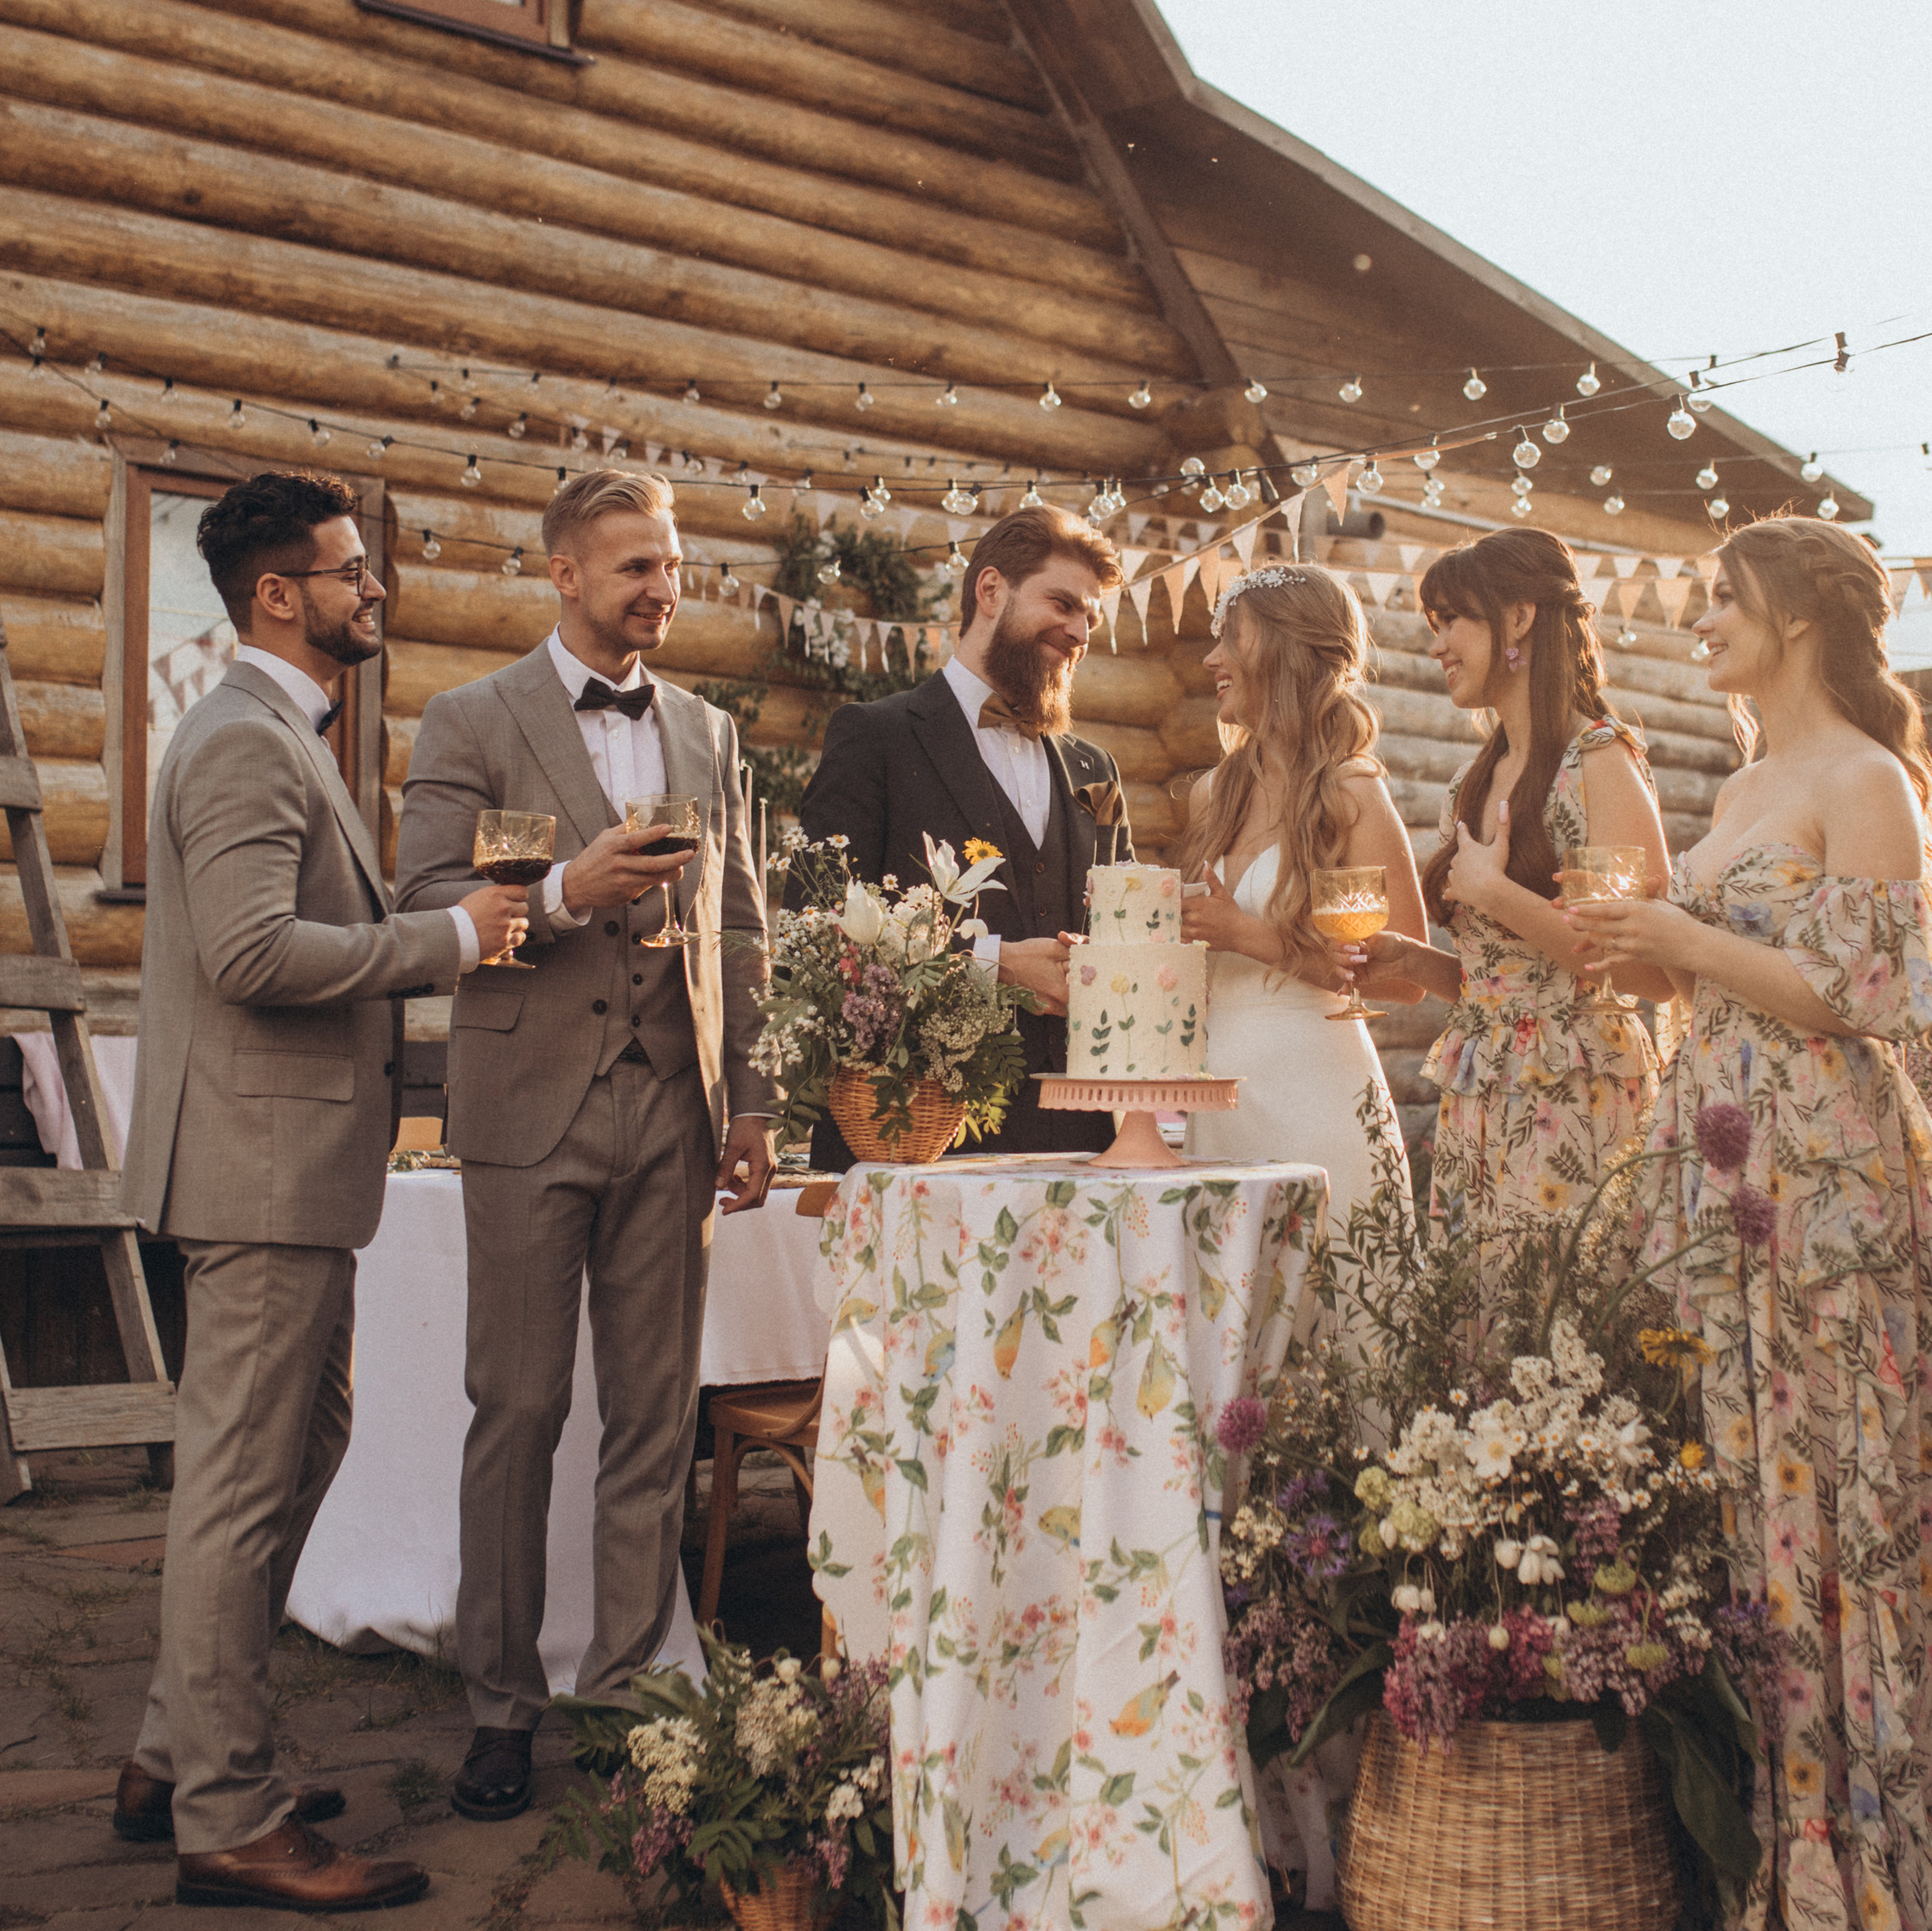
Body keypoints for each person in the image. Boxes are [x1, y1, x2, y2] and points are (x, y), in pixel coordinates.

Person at [1574, 516, 1932, 1931]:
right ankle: (1746, 1852)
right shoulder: (1741, 785)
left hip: (1823, 1172)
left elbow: (1870, 998)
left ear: (1796, 614)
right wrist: (1642, 952)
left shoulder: (1865, 780)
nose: (1703, 620)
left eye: (1724, 598)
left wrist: (1679, 934)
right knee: (1730, 1474)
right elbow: (1718, 973)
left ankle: (1859, 1874)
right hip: (1717, 1155)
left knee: (1829, 1486)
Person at [117, 472, 528, 1911]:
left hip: (289, 1169)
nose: (379, 588)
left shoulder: (280, 733)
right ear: (280, 594)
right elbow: (251, 956)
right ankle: (227, 1817)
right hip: (258, 1168)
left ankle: (174, 1755)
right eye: (355, 571)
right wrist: (451, 941)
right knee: (239, 1488)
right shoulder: (243, 741)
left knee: (300, 1450)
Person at [393, 470, 774, 1825]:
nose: (662, 589)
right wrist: (563, 888)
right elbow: (423, 902)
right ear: (563, 573)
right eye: (634, 567)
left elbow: (742, 923)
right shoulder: (471, 718)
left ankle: (625, 1687)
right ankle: (499, 1706)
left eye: (670, 566)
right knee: (518, 1408)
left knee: (655, 1413)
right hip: (527, 1104)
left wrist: (755, 1101)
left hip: (676, 1107)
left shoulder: (708, 731)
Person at [1347, 530, 1669, 1280]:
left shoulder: (1601, 760)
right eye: (1434, 626)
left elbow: (1644, 972)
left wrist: (1495, 893)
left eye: (1454, 620)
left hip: (1580, 1088)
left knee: (1564, 1310)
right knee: (1481, 1315)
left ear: (1520, 617)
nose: (1438, 645)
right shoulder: (1472, 783)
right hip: (1484, 1092)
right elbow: (1502, 988)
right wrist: (1414, 962)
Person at [794, 505, 1130, 1162]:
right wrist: (993, 965)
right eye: (1063, 604)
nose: (1079, 632)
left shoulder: (1097, 769)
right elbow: (816, 938)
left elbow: (1130, 933)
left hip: (1083, 1143)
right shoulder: (874, 737)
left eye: (1091, 618)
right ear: (991, 591)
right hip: (913, 1133)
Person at [1178, 562, 1423, 1230]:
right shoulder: (1212, 795)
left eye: (1231, 638)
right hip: (1218, 1099)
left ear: (1285, 648)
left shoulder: (1352, 792)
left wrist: (1247, 934)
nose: (1212, 659)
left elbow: (1405, 980)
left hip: (1318, 1090)